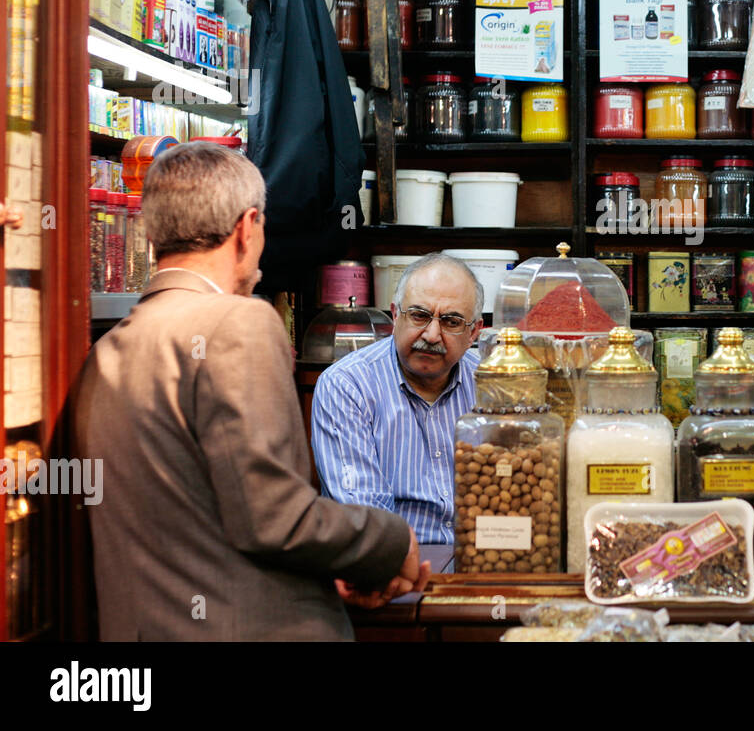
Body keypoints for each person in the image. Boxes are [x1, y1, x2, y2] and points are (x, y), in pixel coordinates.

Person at [73, 143, 429, 640]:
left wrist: (336, 567)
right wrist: (391, 542)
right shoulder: (237, 324)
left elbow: (199, 517)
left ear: (151, 235)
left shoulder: (104, 352)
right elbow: (272, 516)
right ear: (247, 227)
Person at [312, 254, 483, 545]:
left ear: (473, 332)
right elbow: (363, 515)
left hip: (485, 559)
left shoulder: (491, 383)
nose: (431, 335)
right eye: (418, 315)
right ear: (395, 314)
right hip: (391, 564)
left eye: (451, 321)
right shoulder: (347, 385)